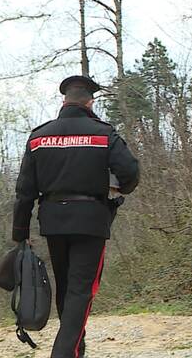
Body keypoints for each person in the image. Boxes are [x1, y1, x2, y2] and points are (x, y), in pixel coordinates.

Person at [12, 76, 139, 358]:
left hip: (53, 221)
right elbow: (130, 172)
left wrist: (20, 233)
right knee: (81, 291)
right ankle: (63, 352)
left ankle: (75, 351)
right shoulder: (104, 134)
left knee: (67, 288)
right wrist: (119, 189)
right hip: (91, 221)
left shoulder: (39, 137)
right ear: (90, 102)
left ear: (64, 101)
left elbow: (24, 191)